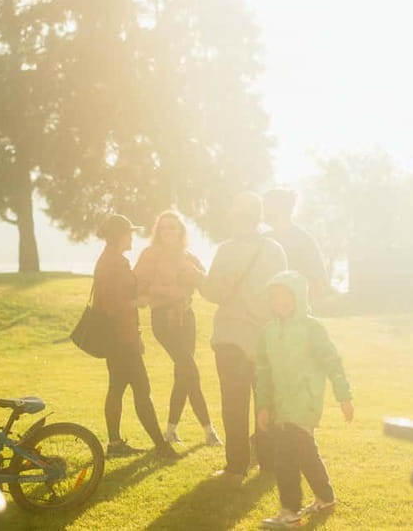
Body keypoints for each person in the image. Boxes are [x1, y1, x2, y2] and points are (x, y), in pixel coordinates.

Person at [256, 271, 354, 528]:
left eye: (286, 296)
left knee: (285, 456)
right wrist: (264, 405)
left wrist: (343, 395)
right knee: (306, 452)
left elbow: (333, 362)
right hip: (280, 404)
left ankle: (290, 511)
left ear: (299, 297)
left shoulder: (313, 328)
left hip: (305, 402)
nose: (280, 302)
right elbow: (263, 372)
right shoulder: (268, 331)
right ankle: (325, 496)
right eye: (275, 297)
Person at [201, 191, 287, 482]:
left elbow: (213, 292)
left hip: (231, 337)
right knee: (266, 402)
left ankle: (236, 467)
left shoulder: (226, 250)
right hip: (264, 338)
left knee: (234, 404)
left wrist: (195, 278)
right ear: (259, 217)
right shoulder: (275, 250)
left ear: (235, 217)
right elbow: (283, 296)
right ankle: (269, 462)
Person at [92, 214, 178, 459]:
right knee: (142, 389)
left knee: (117, 388)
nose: (132, 237)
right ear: (120, 235)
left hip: (118, 337)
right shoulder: (114, 263)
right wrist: (136, 302)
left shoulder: (111, 259)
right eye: (129, 232)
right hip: (121, 339)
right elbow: (114, 306)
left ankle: (116, 443)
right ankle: (161, 447)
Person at [134, 211, 223, 446]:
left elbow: (207, 284)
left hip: (187, 319)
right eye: (163, 228)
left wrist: (198, 276)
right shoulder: (150, 254)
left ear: (181, 231)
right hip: (164, 319)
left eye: (173, 227)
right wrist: (160, 292)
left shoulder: (189, 256)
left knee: (183, 373)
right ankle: (209, 431)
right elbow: (137, 286)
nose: (168, 232)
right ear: (158, 232)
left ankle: (171, 431)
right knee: (190, 370)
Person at [262, 188, 331, 307]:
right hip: (263, 315)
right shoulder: (263, 240)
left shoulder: (304, 241)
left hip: (292, 316)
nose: (263, 212)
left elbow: (320, 282)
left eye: (267, 206)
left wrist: (296, 307)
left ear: (281, 209)